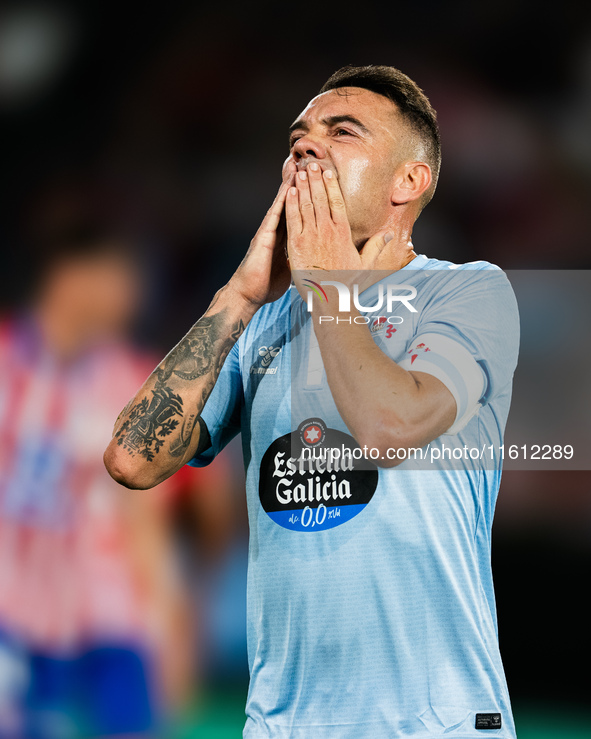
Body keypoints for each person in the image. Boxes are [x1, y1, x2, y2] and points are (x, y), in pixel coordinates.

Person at [105, 65, 520, 738]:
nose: (304, 147)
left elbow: (387, 428)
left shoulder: (467, 294)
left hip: (433, 723)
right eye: (297, 136)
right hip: (285, 723)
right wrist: (236, 296)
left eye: (341, 131)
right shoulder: (262, 319)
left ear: (406, 182)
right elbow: (130, 458)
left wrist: (327, 282)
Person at [0, 224, 222, 738]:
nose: (129, 296)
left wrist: (173, 623)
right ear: (67, 277)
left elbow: (146, 519)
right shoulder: (8, 361)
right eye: (116, 278)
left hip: (109, 618)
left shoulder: (134, 382)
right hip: (12, 614)